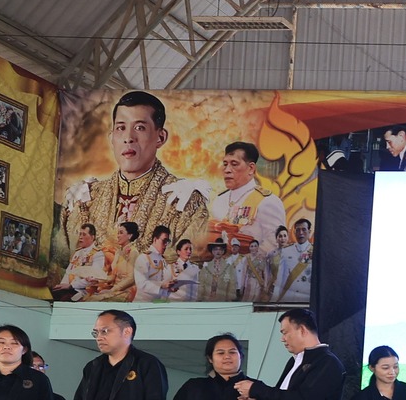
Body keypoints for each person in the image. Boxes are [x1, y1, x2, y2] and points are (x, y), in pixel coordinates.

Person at [56, 92, 211, 288]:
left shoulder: (185, 200)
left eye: (140, 128)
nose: (128, 138)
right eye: (121, 128)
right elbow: (59, 262)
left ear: (160, 137)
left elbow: (188, 268)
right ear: (112, 137)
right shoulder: (83, 198)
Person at [210, 140, 285, 251]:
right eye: (225, 164)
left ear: (251, 168)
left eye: (234, 164)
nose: (227, 170)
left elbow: (274, 245)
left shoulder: (267, 201)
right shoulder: (219, 200)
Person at [55, 222, 111, 301]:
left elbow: (93, 278)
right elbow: (68, 272)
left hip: (84, 291)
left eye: (84, 234)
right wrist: (62, 286)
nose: (80, 237)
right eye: (80, 234)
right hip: (70, 288)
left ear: (92, 237)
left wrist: (71, 286)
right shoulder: (77, 253)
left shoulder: (98, 254)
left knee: (64, 299)